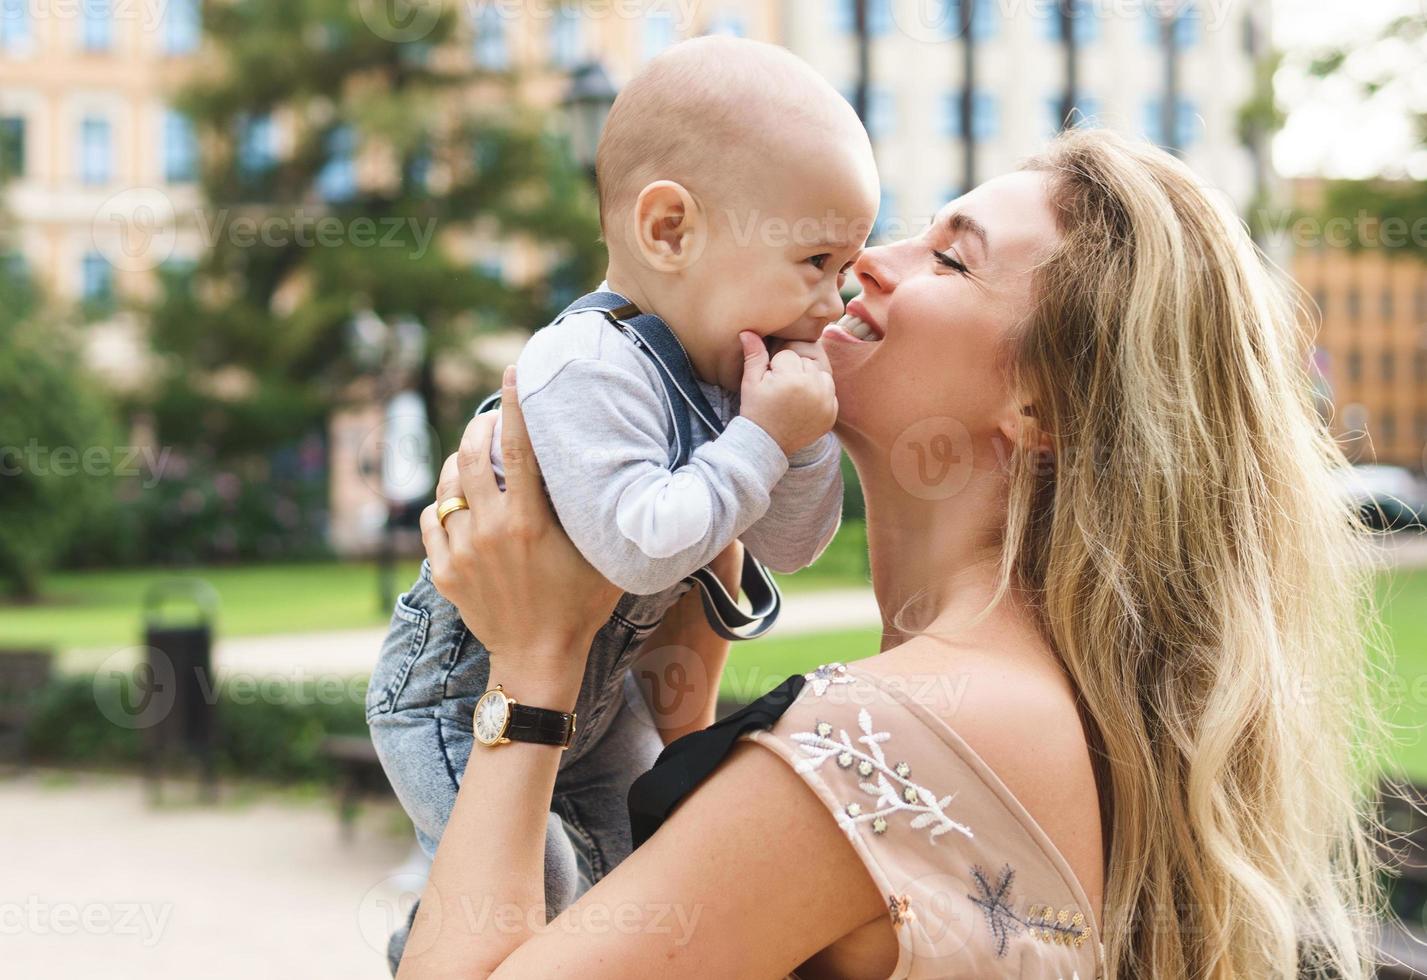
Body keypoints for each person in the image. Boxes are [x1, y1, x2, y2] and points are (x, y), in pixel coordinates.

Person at [396, 127, 1390, 979]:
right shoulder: (1048, 698)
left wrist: (530, 670)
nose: (868, 259)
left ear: (1039, 401)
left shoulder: (888, 736)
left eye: (948, 260)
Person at [366, 36, 878, 971]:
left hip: (599, 701)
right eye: (813, 260)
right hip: (450, 697)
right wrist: (760, 441)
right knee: (541, 882)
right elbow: (639, 549)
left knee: (649, 871)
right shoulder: (588, 364)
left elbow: (791, 544)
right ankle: (419, 953)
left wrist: (797, 441)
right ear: (669, 231)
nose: (833, 298)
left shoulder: (724, 374)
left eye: (845, 265)